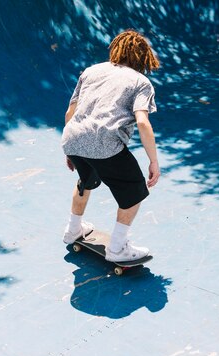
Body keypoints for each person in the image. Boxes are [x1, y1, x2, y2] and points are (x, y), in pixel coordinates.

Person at [61, 29, 160, 262]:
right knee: (134, 191)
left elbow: (70, 112)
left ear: (116, 49)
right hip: (105, 143)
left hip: (73, 136)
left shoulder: (91, 71)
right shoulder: (140, 82)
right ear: (142, 58)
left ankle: (73, 229)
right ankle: (117, 249)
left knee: (85, 181)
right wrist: (153, 161)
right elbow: (143, 122)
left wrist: (71, 150)